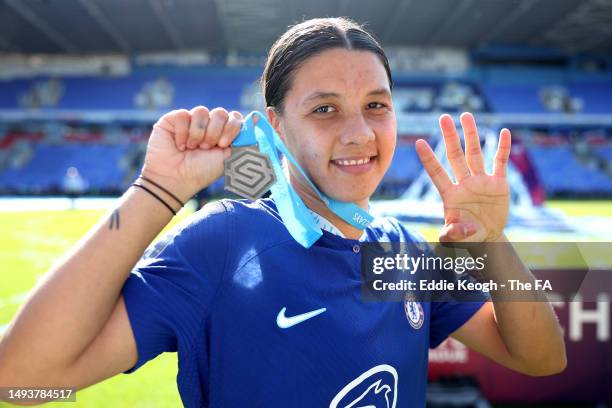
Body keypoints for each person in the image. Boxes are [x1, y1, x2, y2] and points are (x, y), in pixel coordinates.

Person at [0, 17, 566, 407]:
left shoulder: (403, 252)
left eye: (376, 106)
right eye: (324, 109)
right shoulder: (225, 242)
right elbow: (20, 382)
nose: (359, 132)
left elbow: (541, 358)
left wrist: (492, 240)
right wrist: (154, 193)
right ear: (275, 126)